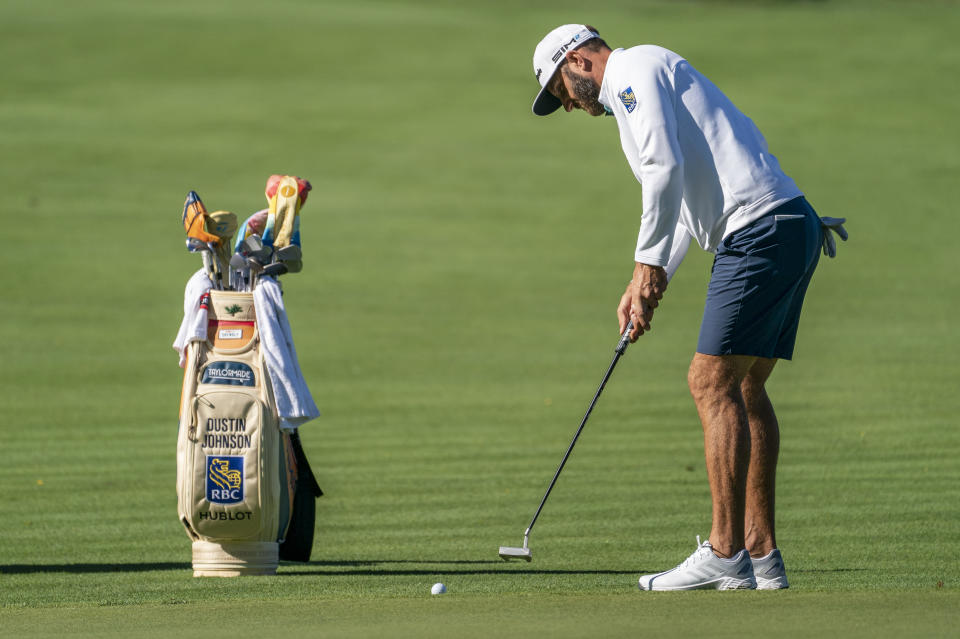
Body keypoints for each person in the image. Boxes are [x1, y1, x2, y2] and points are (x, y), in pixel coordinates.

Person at [529, 24, 846, 591]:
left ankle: (725, 554)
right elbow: (677, 205)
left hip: (759, 231)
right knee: (745, 388)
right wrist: (648, 283)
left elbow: (663, 170)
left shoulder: (633, 73)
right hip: (787, 224)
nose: (570, 107)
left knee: (709, 383)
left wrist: (644, 265)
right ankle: (761, 556)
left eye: (560, 92)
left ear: (577, 61)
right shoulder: (643, 79)